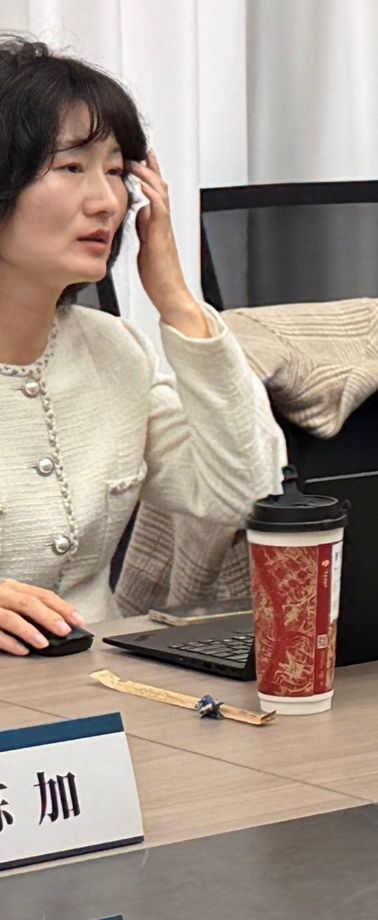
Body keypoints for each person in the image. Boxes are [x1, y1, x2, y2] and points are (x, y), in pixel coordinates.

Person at [0, 37, 285, 656]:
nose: (107, 202)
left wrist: (178, 301)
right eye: (71, 168)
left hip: (97, 687)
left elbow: (241, 492)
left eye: (115, 171)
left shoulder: (116, 351)